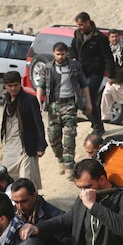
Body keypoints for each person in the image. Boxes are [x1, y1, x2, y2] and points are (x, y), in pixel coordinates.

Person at [35, 43, 91, 177]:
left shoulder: (75, 67)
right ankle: (60, 159)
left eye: (63, 54)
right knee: (53, 138)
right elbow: (41, 86)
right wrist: (38, 101)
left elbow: (84, 84)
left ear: (67, 53)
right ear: (53, 53)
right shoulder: (48, 68)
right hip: (54, 105)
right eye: (57, 54)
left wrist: (88, 102)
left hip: (70, 104)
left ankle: (70, 165)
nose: (60, 57)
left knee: (69, 135)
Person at [0, 70, 47, 187]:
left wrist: (41, 145)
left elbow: (38, 123)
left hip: (27, 146)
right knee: (4, 178)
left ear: (20, 84)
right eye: (10, 86)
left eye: (15, 85)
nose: (13, 89)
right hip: (11, 146)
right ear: (5, 86)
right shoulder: (6, 101)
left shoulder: (30, 100)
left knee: (27, 183)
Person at [70, 12, 114, 135]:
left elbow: (108, 57)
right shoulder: (77, 34)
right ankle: (95, 123)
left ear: (88, 22)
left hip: (95, 73)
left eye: (81, 25)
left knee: (89, 98)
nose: (79, 27)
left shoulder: (100, 38)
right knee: (81, 101)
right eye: (77, 25)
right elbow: (72, 48)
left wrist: (111, 75)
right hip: (81, 72)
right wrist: (73, 57)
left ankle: (98, 127)